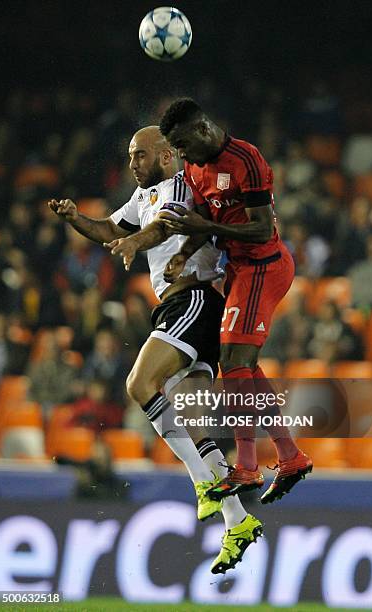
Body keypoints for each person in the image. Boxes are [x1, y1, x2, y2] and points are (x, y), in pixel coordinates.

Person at [48, 126, 262, 574]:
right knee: (190, 414)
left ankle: (205, 483)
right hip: (181, 305)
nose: (132, 164)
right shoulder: (141, 196)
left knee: (140, 383)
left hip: (194, 299)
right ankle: (237, 520)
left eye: (139, 156)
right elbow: (109, 227)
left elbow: (162, 226)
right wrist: (75, 219)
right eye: (129, 157)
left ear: (166, 155)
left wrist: (132, 242)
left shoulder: (183, 186)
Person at [159, 98, 312, 503]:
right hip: (240, 272)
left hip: (264, 266)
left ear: (204, 129)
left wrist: (204, 226)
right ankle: (290, 456)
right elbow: (206, 223)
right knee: (243, 367)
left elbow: (262, 230)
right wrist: (181, 253)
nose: (181, 154)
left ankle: (246, 466)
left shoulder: (247, 159)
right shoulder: (194, 169)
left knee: (233, 364)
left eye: (182, 143)